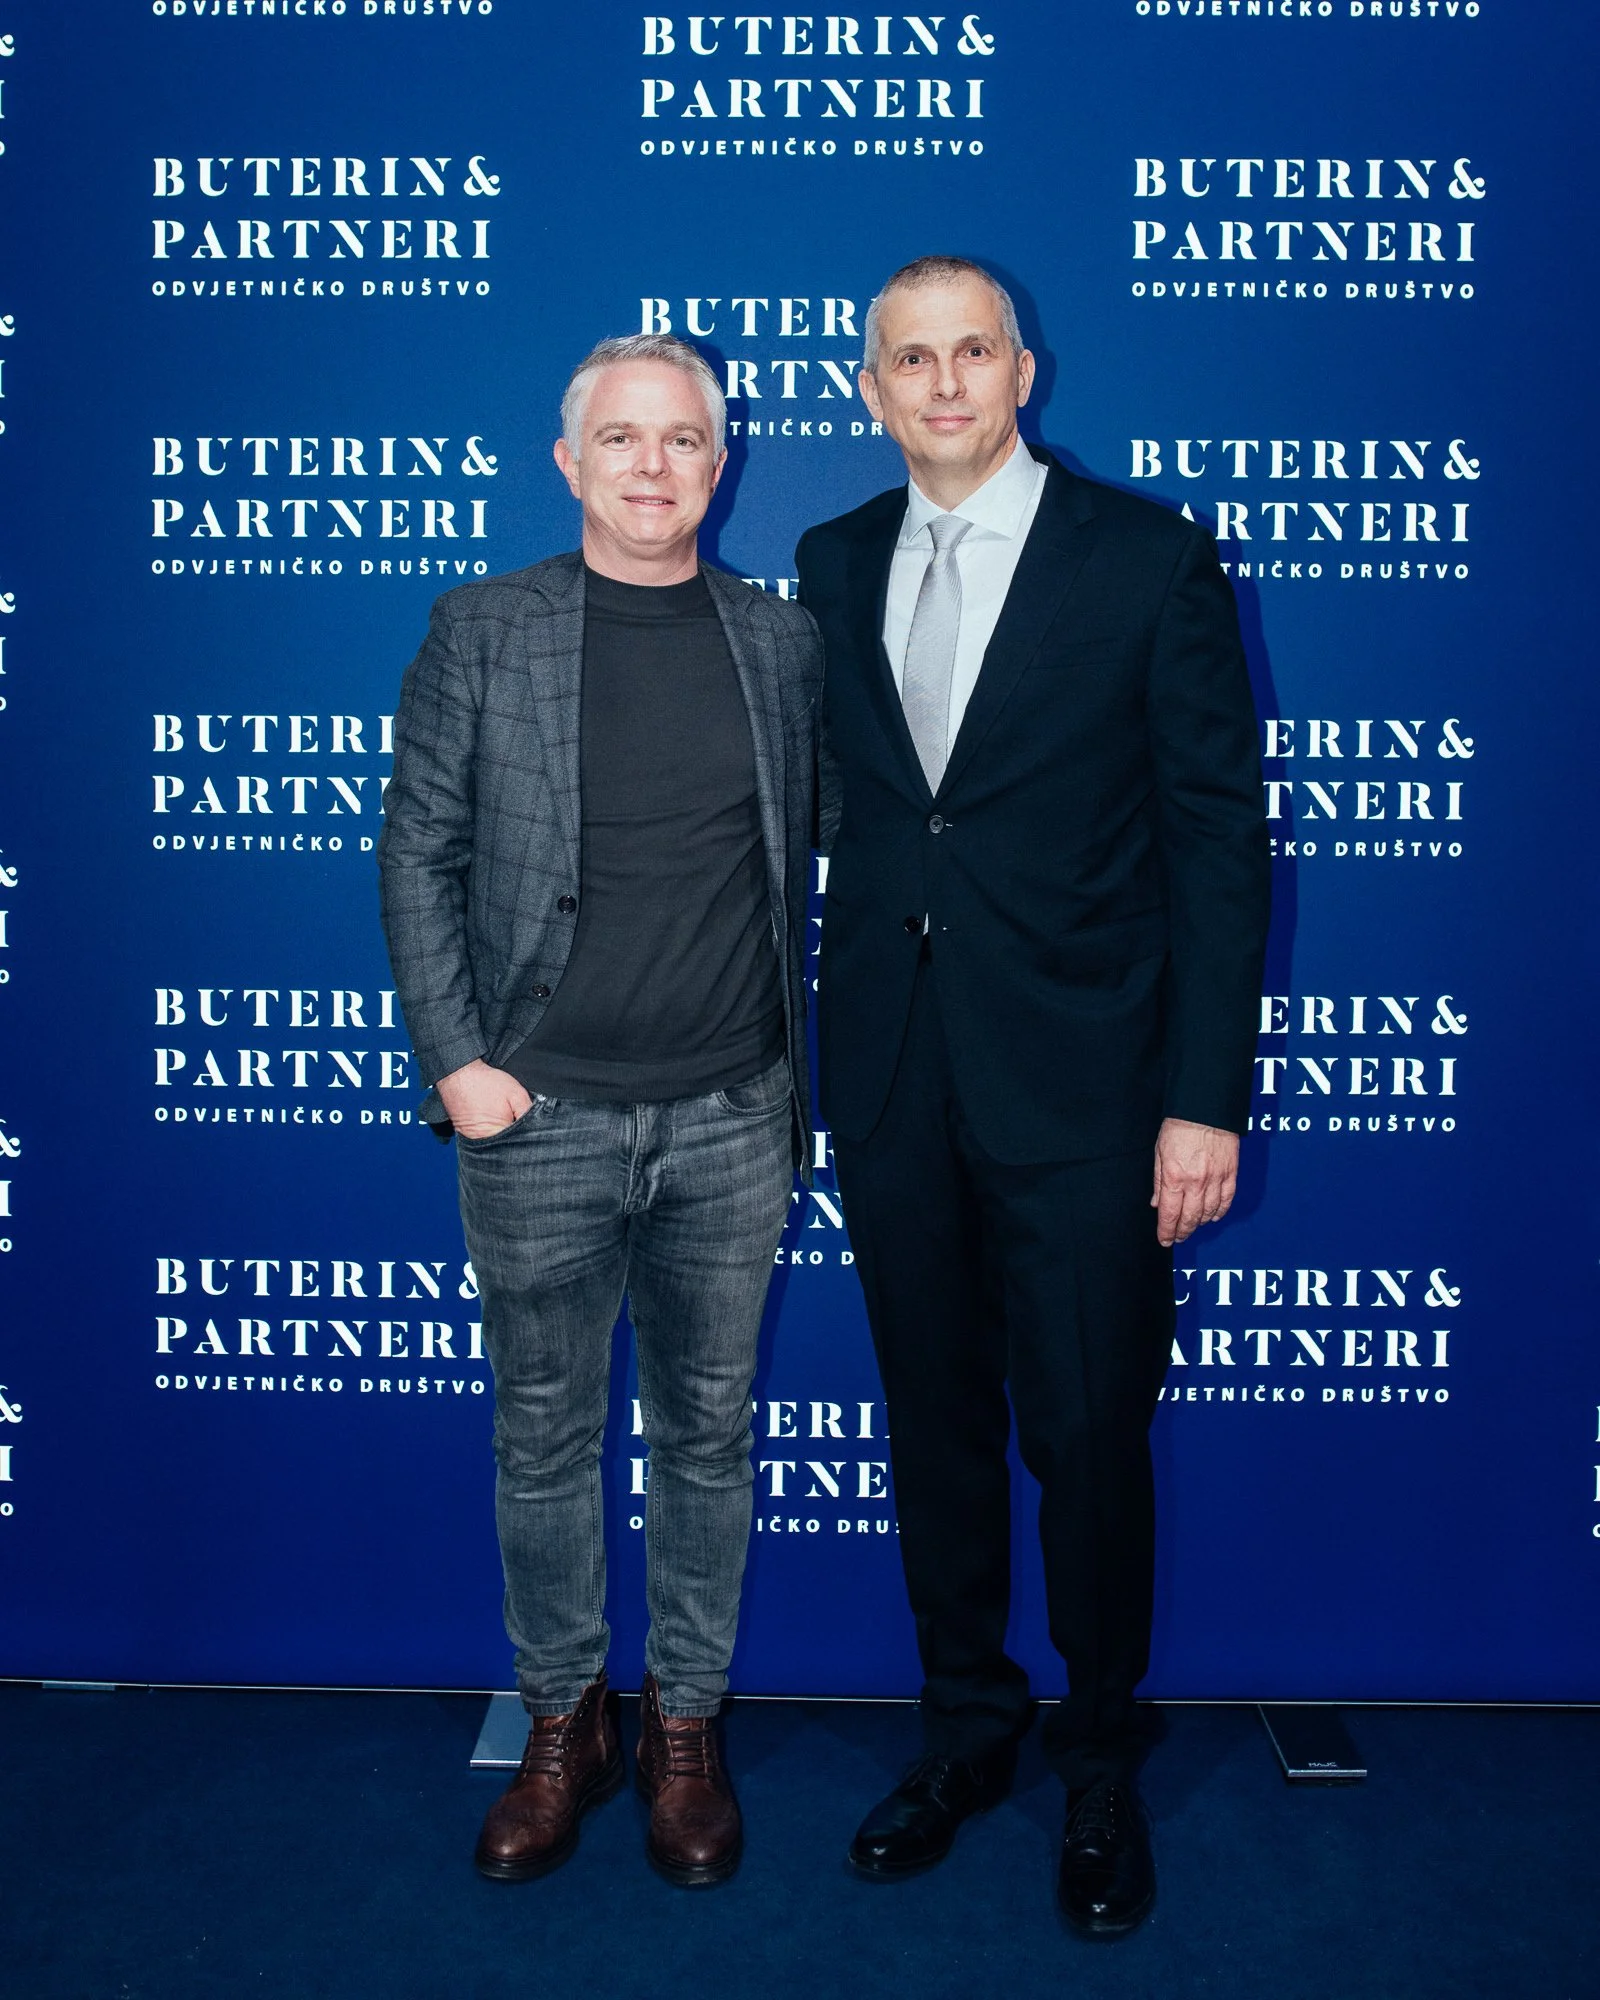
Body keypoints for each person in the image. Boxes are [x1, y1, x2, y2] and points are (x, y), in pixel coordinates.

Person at [796, 257, 1270, 1935]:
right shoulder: (832, 559)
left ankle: (1094, 1769)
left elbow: (1219, 843)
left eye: (970, 352)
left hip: (1089, 1086)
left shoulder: (1144, 559)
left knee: (1084, 1434)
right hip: (896, 1076)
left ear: (1024, 371)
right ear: (872, 386)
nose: (940, 383)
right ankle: (965, 1734)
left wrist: (1201, 1100)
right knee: (935, 1431)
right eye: (907, 358)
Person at [379, 333, 821, 1889]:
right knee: (547, 1439)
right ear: (570, 464)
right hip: (536, 1120)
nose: (652, 465)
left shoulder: (781, 646)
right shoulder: (482, 631)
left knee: (709, 1436)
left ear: (723, 460)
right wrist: (459, 1063)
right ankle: (568, 1720)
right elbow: (415, 855)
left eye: (682, 439)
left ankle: (684, 1726)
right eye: (621, 439)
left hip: (730, 1119)